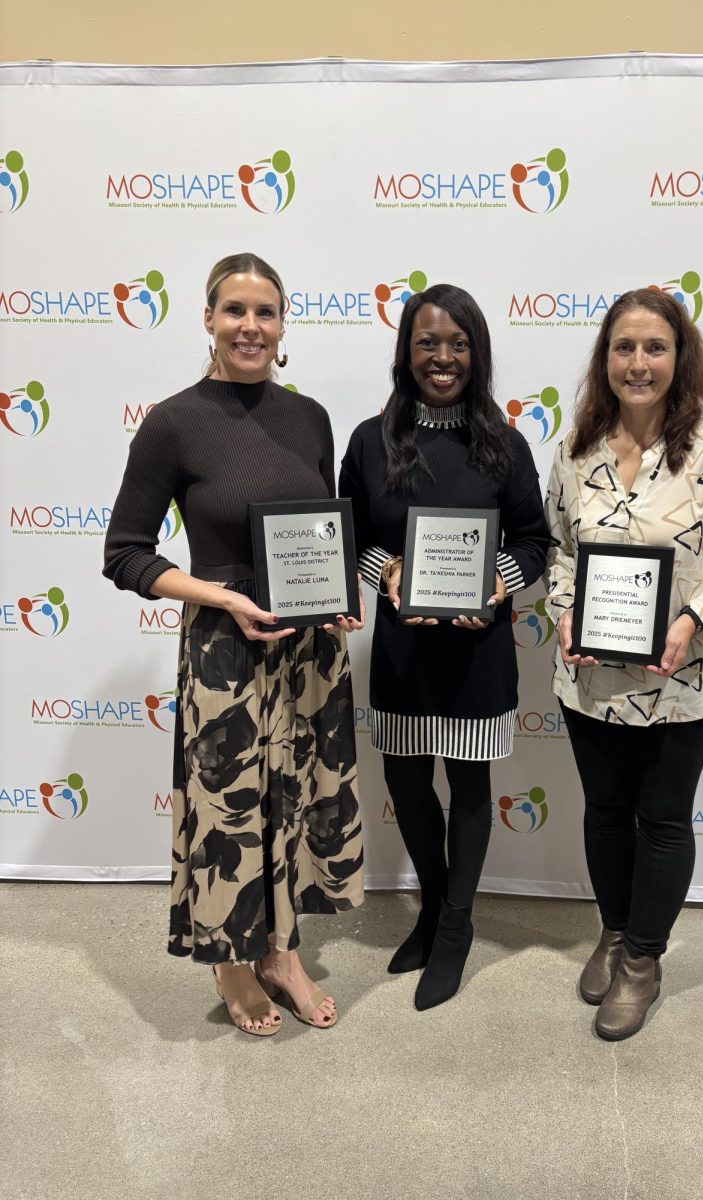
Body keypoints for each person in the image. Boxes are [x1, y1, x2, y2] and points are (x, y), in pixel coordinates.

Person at [103, 252, 364, 1037]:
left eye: (266, 313)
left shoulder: (310, 416)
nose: (251, 326)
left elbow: (318, 531)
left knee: (298, 799)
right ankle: (229, 961)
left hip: (308, 653)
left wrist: (339, 595)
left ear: (283, 327)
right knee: (229, 815)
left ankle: (281, 953)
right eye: (235, 311)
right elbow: (125, 553)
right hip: (224, 650)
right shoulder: (173, 422)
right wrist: (220, 595)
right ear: (209, 318)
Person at [545, 288, 703, 1040]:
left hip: (685, 680)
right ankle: (614, 932)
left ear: (681, 358)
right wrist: (564, 609)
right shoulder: (575, 448)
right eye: (624, 348)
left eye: (654, 348)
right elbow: (558, 550)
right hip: (590, 678)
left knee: (664, 818)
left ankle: (643, 960)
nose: (638, 363)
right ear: (604, 359)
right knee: (607, 814)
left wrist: (694, 618)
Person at [340, 283, 550, 1010]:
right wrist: (388, 573)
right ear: (406, 350)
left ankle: (455, 929)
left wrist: (498, 582)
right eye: (428, 341)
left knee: (467, 790)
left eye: (458, 343)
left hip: (478, 655)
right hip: (401, 654)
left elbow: (535, 541)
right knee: (405, 785)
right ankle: (432, 905)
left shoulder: (505, 443)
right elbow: (352, 538)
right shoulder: (371, 440)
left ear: (477, 353)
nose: (442, 357)